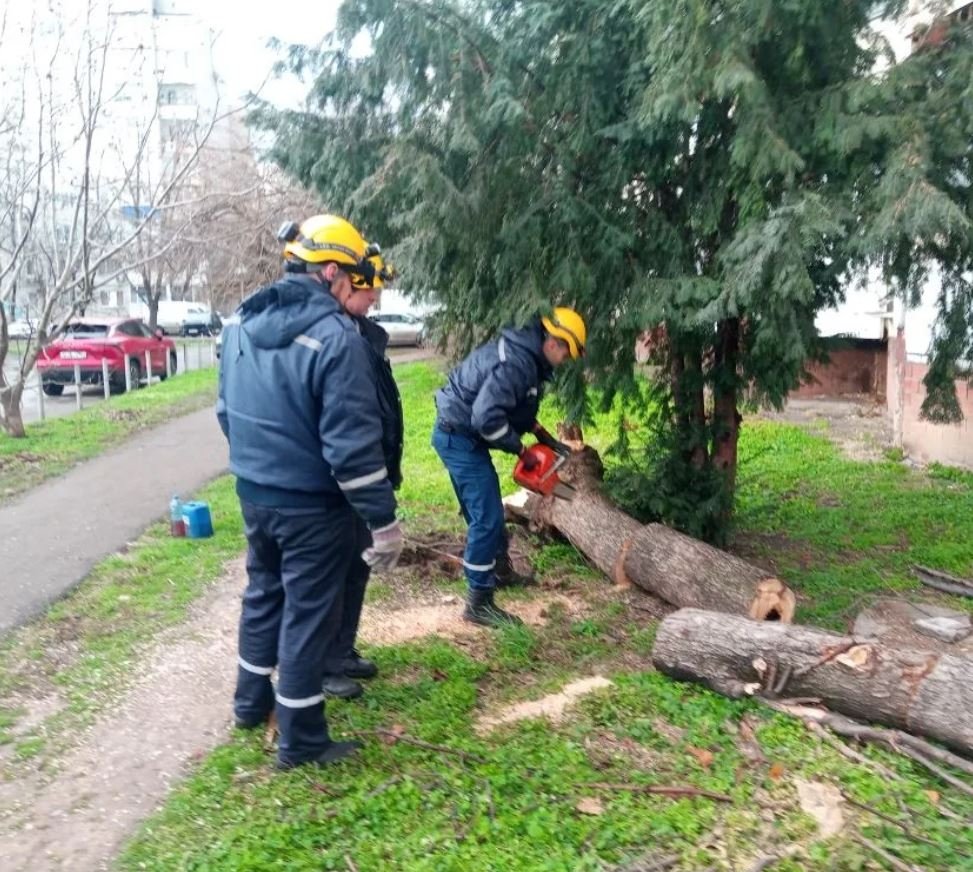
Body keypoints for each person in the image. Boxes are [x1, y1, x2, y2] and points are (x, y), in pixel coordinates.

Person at [216, 214, 404, 769]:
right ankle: (300, 741)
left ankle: (250, 703)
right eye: (354, 276)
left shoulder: (239, 323)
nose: (361, 290)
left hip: (255, 494)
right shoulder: (336, 339)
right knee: (307, 614)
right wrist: (384, 523)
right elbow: (352, 450)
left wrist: (259, 467)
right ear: (330, 272)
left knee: (263, 592)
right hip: (313, 507)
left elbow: (225, 412)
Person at [432, 308, 587, 627]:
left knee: (486, 512)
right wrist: (521, 451)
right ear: (554, 342)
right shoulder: (518, 362)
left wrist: (540, 433)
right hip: (458, 437)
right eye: (566, 354)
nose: (565, 361)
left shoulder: (527, 357)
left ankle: (499, 571)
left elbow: (513, 404)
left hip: (463, 432)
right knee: (487, 517)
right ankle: (478, 603)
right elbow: (486, 417)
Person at [320, 247, 405, 700]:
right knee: (332, 572)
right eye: (370, 289)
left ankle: (343, 649)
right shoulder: (332, 336)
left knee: (357, 565)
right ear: (347, 282)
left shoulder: (365, 333)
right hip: (335, 480)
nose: (375, 298)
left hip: (365, 472)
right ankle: (324, 664)